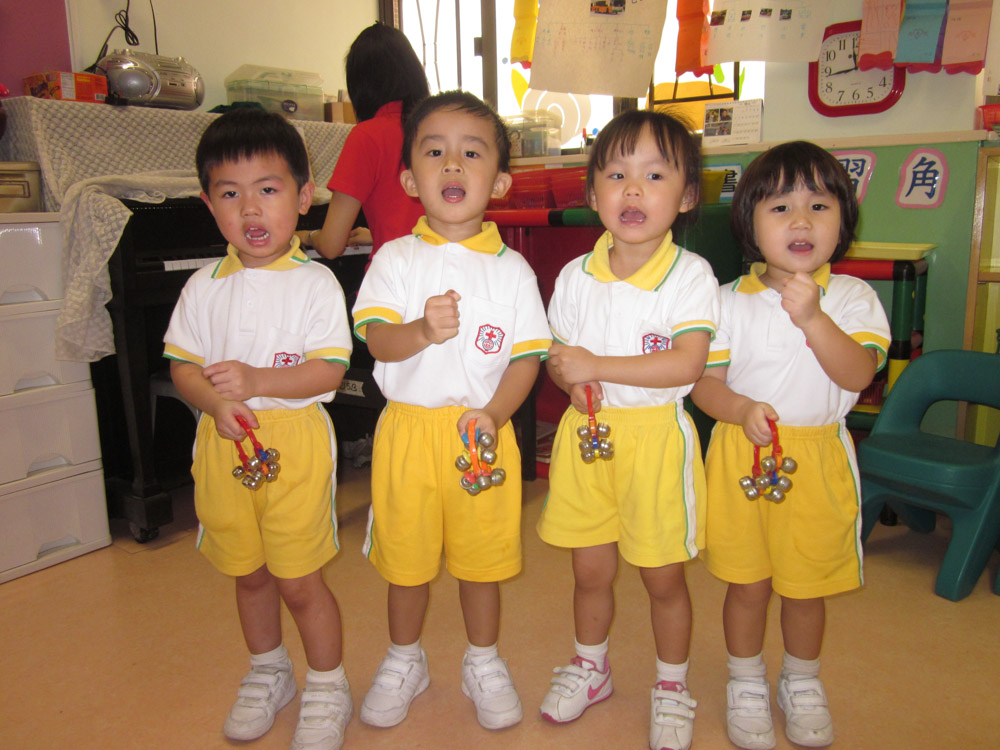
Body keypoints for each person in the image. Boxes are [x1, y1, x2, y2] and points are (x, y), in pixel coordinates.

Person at [351, 90, 551, 733]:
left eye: (472, 153)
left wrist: (495, 414)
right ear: (410, 179)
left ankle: (483, 661)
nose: (453, 165)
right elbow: (376, 340)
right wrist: (418, 330)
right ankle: (403, 659)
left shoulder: (514, 271)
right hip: (408, 434)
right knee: (405, 563)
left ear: (501, 182)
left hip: (481, 434)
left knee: (481, 561)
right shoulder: (394, 258)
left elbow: (525, 360)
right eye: (435, 152)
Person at [164, 108, 355, 750]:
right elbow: (183, 366)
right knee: (247, 573)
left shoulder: (315, 284)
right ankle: (269, 671)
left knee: (299, 579)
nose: (250, 208)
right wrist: (214, 405)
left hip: (294, 444)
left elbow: (329, 372)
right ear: (208, 204)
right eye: (230, 193)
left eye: (268, 189)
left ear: (303, 197)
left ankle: (327, 683)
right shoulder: (202, 287)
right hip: (224, 446)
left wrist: (256, 381)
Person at [689, 140, 891, 750]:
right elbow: (704, 385)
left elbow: (858, 373)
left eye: (819, 206)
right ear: (749, 223)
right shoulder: (725, 300)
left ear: (843, 221)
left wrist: (814, 318)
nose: (801, 221)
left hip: (819, 460)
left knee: (807, 586)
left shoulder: (852, 297)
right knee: (746, 583)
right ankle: (745, 678)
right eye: (780, 207)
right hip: (742, 458)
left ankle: (801, 680)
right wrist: (740, 409)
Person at [537, 109, 719, 750]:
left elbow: (687, 365)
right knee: (589, 571)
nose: (633, 189)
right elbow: (559, 357)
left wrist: (596, 366)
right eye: (616, 175)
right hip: (588, 440)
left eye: (655, 175)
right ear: (593, 193)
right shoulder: (574, 276)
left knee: (662, 578)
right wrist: (572, 381)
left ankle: (671, 684)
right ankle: (592, 667)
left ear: (687, 196)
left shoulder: (690, 275)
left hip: (656, 443)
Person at [306, 22, 429, 260]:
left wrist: (308, 236)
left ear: (361, 86)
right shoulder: (436, 129)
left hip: (395, 277)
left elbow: (331, 246)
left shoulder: (367, 136)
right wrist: (377, 234)